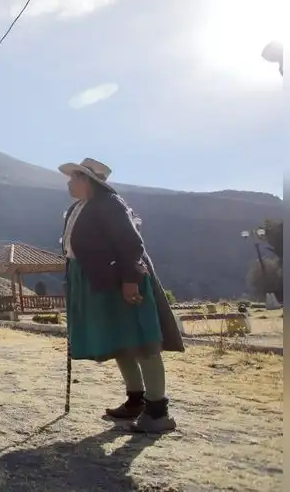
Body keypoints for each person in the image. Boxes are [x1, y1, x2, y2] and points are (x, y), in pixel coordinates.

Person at [58, 158, 185, 433]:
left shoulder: (110, 204)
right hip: (96, 280)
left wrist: (130, 281)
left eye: (74, 177)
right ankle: (135, 400)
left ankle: (157, 412)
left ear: (88, 180)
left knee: (140, 340)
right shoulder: (77, 208)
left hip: (122, 279)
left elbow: (131, 244)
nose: (69, 182)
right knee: (120, 340)